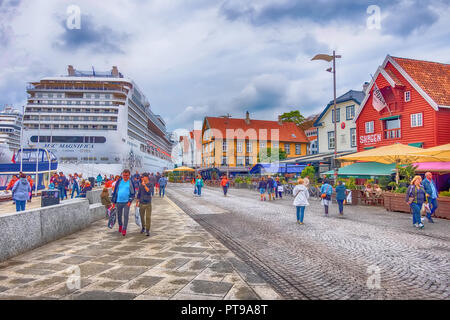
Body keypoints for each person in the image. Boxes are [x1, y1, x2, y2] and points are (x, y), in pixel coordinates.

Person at [111, 169, 135, 236]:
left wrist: (130, 201)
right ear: (122, 174)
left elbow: (133, 193)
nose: (125, 176)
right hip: (118, 201)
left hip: (126, 202)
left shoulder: (130, 182)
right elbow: (115, 192)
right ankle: (120, 225)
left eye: (126, 175)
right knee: (119, 215)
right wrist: (113, 202)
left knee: (126, 215)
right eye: (124, 175)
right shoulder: (119, 181)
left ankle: (124, 229)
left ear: (129, 175)